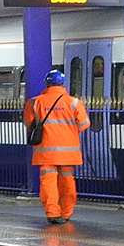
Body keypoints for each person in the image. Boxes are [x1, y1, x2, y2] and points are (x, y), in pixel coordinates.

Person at [22, 68, 90, 224]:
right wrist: (69, 132)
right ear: (62, 84)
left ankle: (53, 213)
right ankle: (66, 213)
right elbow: (85, 124)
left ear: (47, 83)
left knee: (49, 182)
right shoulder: (74, 102)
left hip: (46, 152)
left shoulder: (35, 102)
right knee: (67, 181)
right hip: (68, 152)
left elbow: (28, 123)